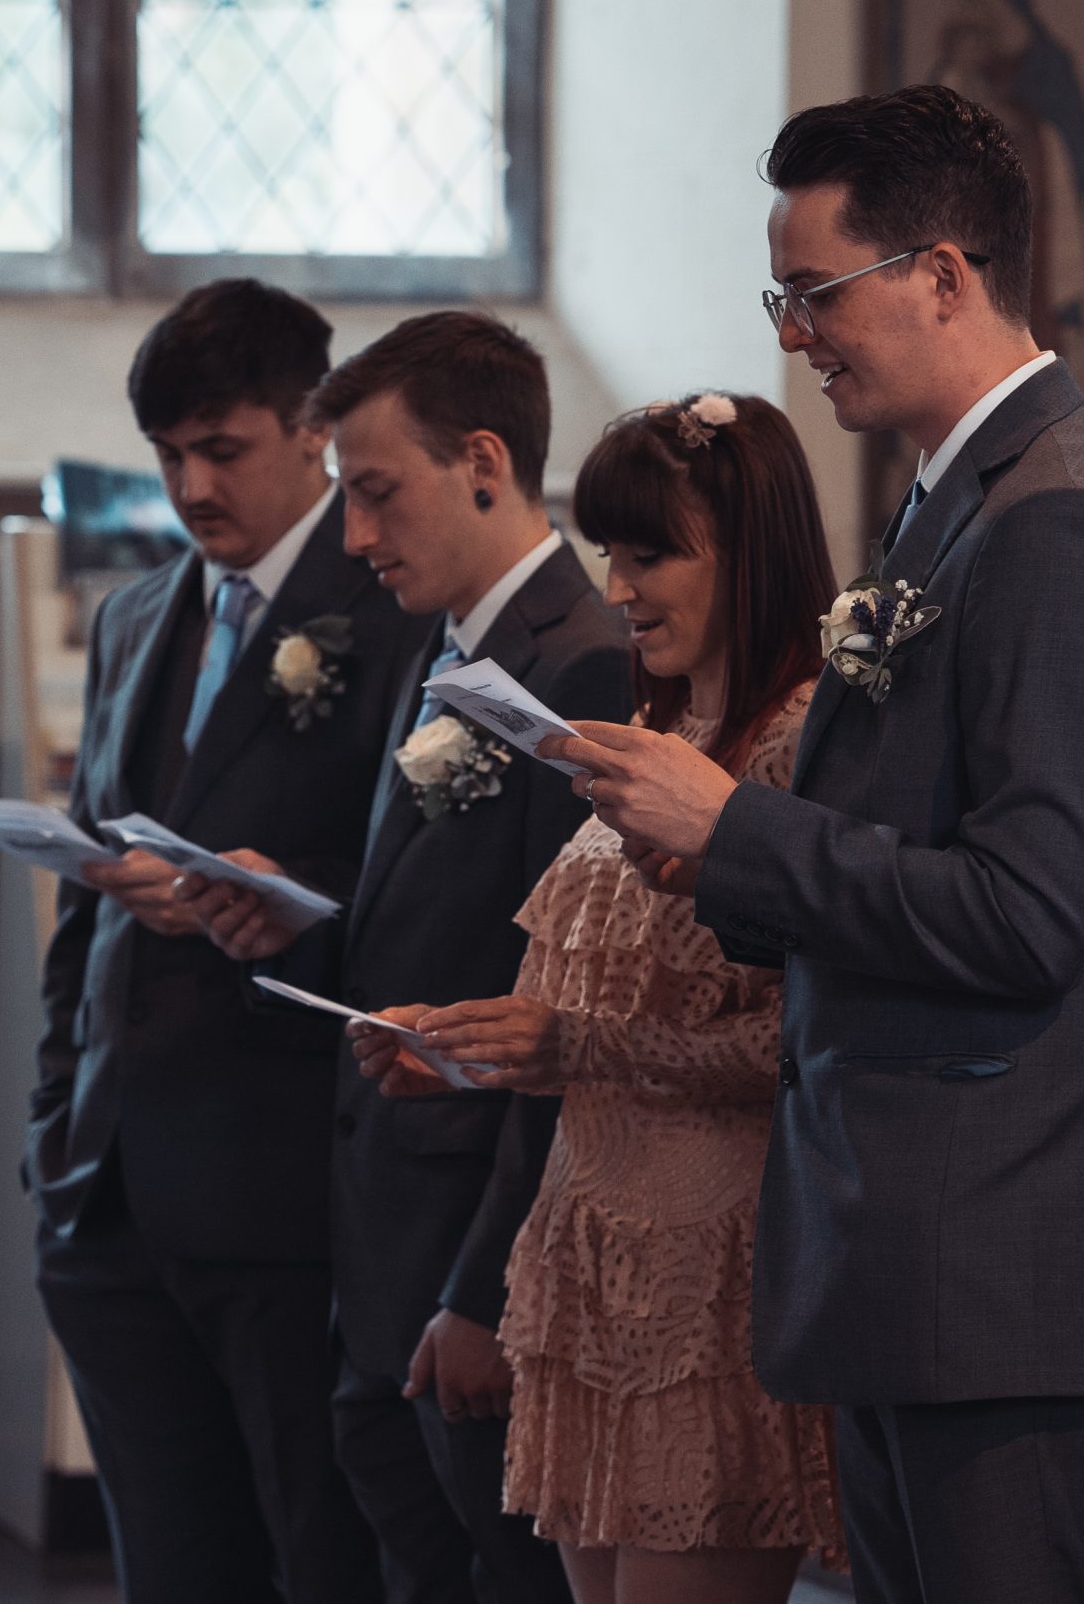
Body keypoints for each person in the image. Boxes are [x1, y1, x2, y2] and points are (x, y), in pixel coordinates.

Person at [546, 84, 1084, 1601]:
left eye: (817, 292)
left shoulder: (1062, 519)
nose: (794, 334)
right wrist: (714, 857)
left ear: (943, 276)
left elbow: (1030, 913)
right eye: (781, 297)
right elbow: (905, 836)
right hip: (918, 1249)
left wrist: (741, 826)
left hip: (1007, 1255)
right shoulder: (954, 504)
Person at [353, 393, 844, 1604]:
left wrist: (578, 1045)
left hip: (710, 1270)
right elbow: (590, 1005)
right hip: (585, 1250)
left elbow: (813, 1037)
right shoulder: (647, 731)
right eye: (609, 553)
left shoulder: (802, 747)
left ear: (751, 551)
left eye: (651, 555)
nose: (617, 588)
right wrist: (472, 1049)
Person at [187, 311, 628, 1604]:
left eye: (376, 492)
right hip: (385, 1235)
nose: (355, 535)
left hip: (474, 1251)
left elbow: (567, 1004)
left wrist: (487, 1287)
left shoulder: (582, 665)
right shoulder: (444, 644)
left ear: (482, 462)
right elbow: (441, 913)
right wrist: (312, 914)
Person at [27, 279, 427, 1604]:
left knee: (315, 1559)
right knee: (170, 1568)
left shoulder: (396, 610)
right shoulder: (138, 615)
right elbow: (87, 900)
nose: (191, 487)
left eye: (221, 449)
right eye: (167, 455)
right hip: (107, 1189)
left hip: (282, 1184)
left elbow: (433, 887)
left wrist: (281, 894)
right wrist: (53, 1125)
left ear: (313, 429)